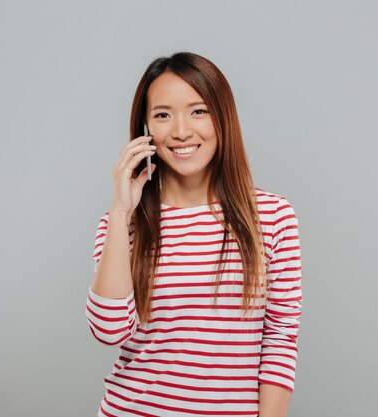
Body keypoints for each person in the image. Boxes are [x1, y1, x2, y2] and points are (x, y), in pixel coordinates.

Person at [85, 51, 302, 417]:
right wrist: (122, 210)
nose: (181, 130)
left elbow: (280, 338)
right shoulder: (122, 224)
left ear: (223, 117)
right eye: (162, 115)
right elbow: (108, 330)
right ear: (145, 130)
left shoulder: (272, 216)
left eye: (198, 110)